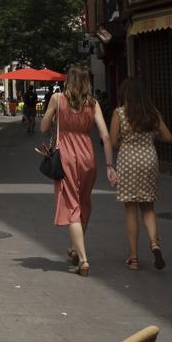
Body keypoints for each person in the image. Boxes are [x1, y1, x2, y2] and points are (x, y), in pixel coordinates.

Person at [41, 65, 117, 277]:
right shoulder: (93, 104)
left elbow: (44, 127)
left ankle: (83, 259)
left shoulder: (58, 99)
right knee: (84, 203)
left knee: (72, 207)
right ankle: (76, 247)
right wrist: (110, 166)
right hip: (87, 157)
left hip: (66, 157)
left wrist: (54, 115)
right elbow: (105, 136)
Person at [109, 78, 172, 271]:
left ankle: (133, 257)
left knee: (130, 209)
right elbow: (168, 137)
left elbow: (112, 142)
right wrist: (152, 137)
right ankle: (154, 242)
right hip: (149, 159)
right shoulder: (152, 113)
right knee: (148, 207)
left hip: (128, 160)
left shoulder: (119, 113)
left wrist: (126, 141)